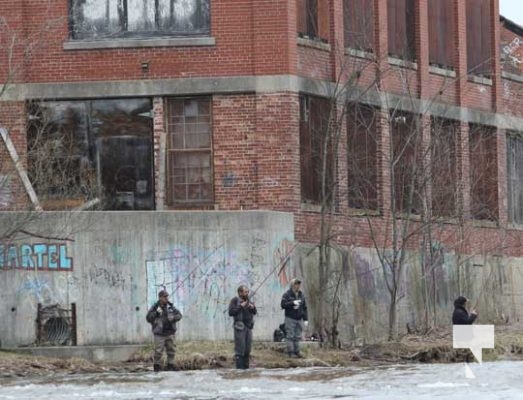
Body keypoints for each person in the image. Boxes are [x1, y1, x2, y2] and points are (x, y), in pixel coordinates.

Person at [146, 290, 183, 372]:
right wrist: (156, 313)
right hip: (159, 333)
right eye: (164, 297)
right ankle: (157, 366)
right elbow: (148, 318)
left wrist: (173, 317)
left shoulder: (171, 306)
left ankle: (170, 365)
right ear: (160, 297)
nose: (166, 298)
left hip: (170, 332)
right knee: (158, 351)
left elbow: (179, 315)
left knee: (171, 350)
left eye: (167, 297)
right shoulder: (155, 307)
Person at [228, 285, 257, 369]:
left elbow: (254, 312)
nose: (246, 293)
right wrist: (241, 306)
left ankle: (246, 370)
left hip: (249, 327)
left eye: (247, 292)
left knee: (247, 350)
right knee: (240, 350)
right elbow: (231, 312)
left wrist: (253, 307)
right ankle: (239, 370)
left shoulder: (249, 301)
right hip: (239, 328)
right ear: (240, 292)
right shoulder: (235, 300)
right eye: (245, 292)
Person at [281, 278, 308, 358]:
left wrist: (305, 319)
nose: (298, 286)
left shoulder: (301, 295)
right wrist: (292, 303)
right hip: (290, 318)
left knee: (297, 336)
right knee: (290, 335)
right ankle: (291, 352)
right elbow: (283, 305)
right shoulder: (287, 294)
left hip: (299, 318)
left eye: (299, 284)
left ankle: (297, 351)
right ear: (292, 285)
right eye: (296, 284)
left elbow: (304, 308)